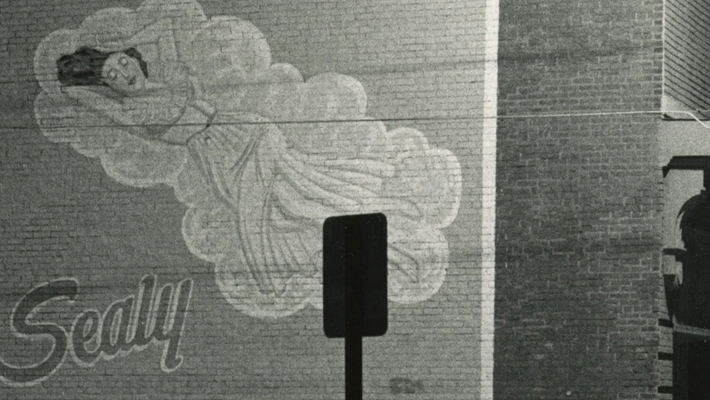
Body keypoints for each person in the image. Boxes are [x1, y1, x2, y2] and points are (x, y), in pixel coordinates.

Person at [53, 43, 429, 320]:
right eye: (112, 78)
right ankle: (383, 224)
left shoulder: (163, 83)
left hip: (245, 134)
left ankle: (276, 274)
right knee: (303, 196)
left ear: (133, 57)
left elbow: (166, 50)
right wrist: (79, 81)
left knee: (286, 206)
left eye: (122, 62)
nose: (123, 74)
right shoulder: (131, 111)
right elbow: (88, 99)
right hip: (223, 155)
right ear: (109, 89)